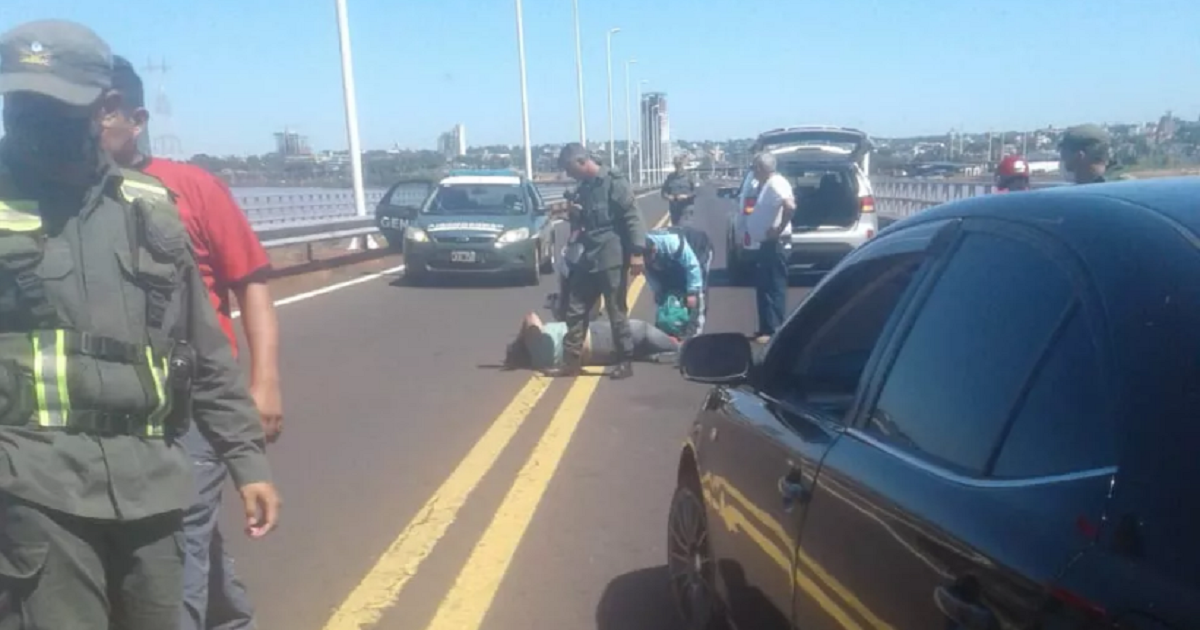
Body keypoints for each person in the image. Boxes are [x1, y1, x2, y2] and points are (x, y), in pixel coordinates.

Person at [0, 19, 280, 630]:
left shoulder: (150, 207)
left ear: (105, 110)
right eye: (17, 104)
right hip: (33, 485)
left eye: (52, 108)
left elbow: (202, 348)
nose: (30, 124)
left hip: (152, 481)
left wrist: (246, 459)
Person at [103, 56, 282, 630]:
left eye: (107, 110)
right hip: (118, 411)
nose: (93, 124)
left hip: (195, 402)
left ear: (137, 119)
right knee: (188, 542)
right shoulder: (67, 204)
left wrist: (264, 382)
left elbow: (250, 282)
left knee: (173, 556)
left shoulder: (189, 187)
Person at [555, 143, 647, 380]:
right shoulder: (583, 187)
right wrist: (573, 213)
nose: (569, 174)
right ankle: (571, 361)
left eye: (569, 169)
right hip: (588, 253)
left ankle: (624, 360)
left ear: (581, 162)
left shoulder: (613, 182)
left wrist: (637, 252)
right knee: (575, 308)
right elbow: (583, 219)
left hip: (611, 253)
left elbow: (632, 217)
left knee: (615, 309)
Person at [503, 311, 679, 371]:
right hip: (594, 335)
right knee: (641, 330)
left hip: (600, 355)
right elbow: (530, 317)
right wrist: (520, 337)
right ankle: (680, 347)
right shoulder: (537, 341)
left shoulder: (538, 363)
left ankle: (665, 350)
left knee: (636, 349)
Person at [745, 152, 796, 343]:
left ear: (760, 168)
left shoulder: (776, 183)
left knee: (774, 287)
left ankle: (775, 330)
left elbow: (790, 206)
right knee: (764, 286)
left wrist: (779, 228)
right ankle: (766, 327)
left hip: (776, 243)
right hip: (767, 244)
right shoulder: (767, 184)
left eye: (754, 168)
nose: (753, 172)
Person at [644, 225, 713, 338]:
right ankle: (668, 331)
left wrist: (692, 292)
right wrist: (658, 292)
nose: (647, 262)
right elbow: (650, 274)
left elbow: (692, 266)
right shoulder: (638, 250)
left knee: (696, 297)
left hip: (699, 249)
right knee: (667, 294)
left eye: (649, 258)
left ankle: (694, 336)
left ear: (654, 250)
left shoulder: (673, 243)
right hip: (673, 259)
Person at [660, 155, 697, 225]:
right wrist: (668, 197)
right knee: (676, 228)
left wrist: (686, 196)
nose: (677, 166)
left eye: (679, 164)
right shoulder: (670, 177)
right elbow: (663, 192)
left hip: (686, 207)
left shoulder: (689, 176)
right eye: (676, 164)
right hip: (674, 208)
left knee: (685, 227)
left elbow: (696, 191)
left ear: (682, 164)